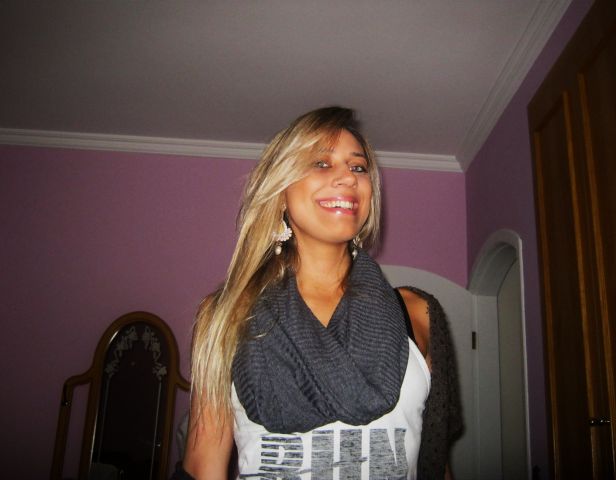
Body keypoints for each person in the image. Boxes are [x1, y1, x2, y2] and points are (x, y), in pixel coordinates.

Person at [175, 107, 462, 479]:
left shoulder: (417, 312)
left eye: (358, 167)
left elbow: (436, 463)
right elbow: (203, 467)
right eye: (321, 164)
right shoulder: (226, 314)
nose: (348, 177)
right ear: (280, 191)